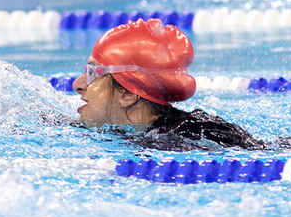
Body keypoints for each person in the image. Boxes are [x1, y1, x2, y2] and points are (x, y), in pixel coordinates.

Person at [72, 18, 264, 150]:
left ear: (128, 94)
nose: (77, 84)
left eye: (93, 73)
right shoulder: (125, 132)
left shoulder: (196, 135)